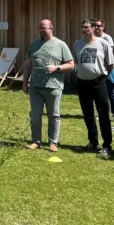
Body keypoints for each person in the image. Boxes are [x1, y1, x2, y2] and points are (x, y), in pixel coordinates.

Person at [21, 19, 74, 153]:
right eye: (40, 28)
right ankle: (35, 141)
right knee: (35, 115)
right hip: (35, 87)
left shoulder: (60, 45)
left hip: (53, 87)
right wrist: (24, 82)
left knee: (53, 115)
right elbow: (28, 64)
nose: (42, 31)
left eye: (44, 28)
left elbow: (71, 65)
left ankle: (53, 142)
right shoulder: (34, 45)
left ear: (51, 29)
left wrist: (57, 68)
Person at [73, 19, 114, 159]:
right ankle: (93, 141)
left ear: (93, 28)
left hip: (99, 82)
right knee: (87, 113)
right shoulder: (77, 44)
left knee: (103, 113)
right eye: (82, 27)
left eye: (87, 27)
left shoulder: (103, 43)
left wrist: (101, 76)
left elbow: (110, 64)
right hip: (82, 83)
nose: (84, 30)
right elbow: (77, 62)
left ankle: (107, 145)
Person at [95, 19, 114, 124]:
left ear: (103, 27)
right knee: (100, 94)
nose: (96, 28)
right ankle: (103, 113)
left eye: (99, 26)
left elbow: (109, 53)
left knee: (111, 92)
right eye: (95, 26)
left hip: (108, 68)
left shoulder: (107, 38)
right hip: (98, 69)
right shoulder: (93, 38)